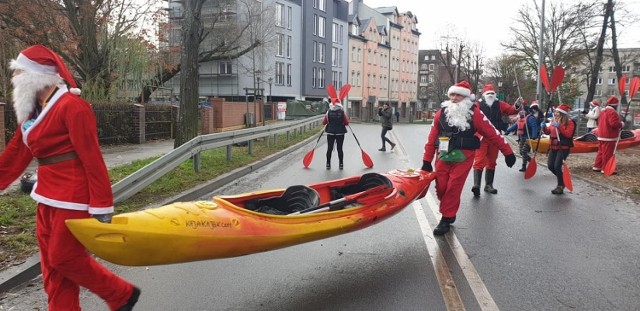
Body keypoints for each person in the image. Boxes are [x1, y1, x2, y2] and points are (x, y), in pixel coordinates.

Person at [0, 45, 140, 310]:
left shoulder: (73, 107)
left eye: (18, 72)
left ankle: (121, 294)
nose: (14, 78)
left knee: (64, 257)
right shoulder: (32, 112)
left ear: (37, 76)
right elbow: (16, 154)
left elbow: (92, 158)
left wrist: (101, 203)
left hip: (73, 196)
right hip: (47, 194)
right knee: (51, 265)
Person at [421, 81, 516, 235]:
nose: (454, 98)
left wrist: (508, 152)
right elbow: (431, 138)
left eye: (458, 95)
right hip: (443, 156)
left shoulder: (475, 114)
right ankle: (449, 211)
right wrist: (426, 160)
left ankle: (445, 218)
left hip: (463, 157)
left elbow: (492, 133)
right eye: (452, 94)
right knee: (442, 187)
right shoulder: (441, 113)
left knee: (453, 186)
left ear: (466, 97)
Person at [471, 84, 522, 196]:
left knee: (492, 161)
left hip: (495, 137)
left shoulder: (499, 104)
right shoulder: (478, 104)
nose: (490, 95)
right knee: (479, 160)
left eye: (492, 93)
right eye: (488, 93)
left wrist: (517, 105)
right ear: (484, 95)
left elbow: (511, 110)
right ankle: (477, 185)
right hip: (482, 137)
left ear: (494, 95)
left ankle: (488, 185)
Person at [541, 104, 576, 194]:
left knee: (557, 166)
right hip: (553, 146)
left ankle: (560, 185)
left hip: (563, 147)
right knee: (550, 166)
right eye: (555, 111)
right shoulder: (554, 121)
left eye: (557, 112)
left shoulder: (570, 122)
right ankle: (563, 180)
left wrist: (559, 126)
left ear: (562, 113)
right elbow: (548, 131)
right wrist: (544, 127)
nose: (555, 113)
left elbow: (568, 134)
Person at [505, 102, 542, 172]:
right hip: (522, 138)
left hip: (529, 138)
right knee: (521, 152)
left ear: (527, 111)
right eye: (520, 111)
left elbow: (534, 127)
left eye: (523, 110)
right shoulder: (520, 119)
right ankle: (530, 161)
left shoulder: (530, 118)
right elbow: (515, 126)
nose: (521, 112)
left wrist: (534, 137)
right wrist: (507, 131)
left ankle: (524, 166)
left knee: (524, 151)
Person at [592, 96, 624, 174]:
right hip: (609, 136)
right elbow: (614, 124)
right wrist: (621, 124)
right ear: (615, 105)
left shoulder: (603, 111)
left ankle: (597, 166)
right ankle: (606, 169)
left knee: (601, 151)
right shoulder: (612, 112)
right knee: (608, 153)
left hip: (601, 134)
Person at [322, 101, 349, 170]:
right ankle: (341, 164)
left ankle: (328, 164)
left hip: (330, 132)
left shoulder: (328, 112)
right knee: (340, 149)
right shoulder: (342, 112)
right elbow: (346, 123)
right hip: (340, 133)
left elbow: (323, 122)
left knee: (329, 149)